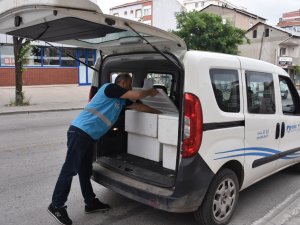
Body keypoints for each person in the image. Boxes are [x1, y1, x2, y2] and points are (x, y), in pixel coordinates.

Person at [48, 73, 160, 225]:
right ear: (122, 82)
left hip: (88, 136)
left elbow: (139, 106)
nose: (131, 86)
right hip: (80, 132)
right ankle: (56, 205)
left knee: (85, 171)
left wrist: (161, 112)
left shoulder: (120, 101)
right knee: (70, 169)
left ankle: (90, 203)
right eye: (129, 83)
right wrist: (150, 92)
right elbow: (139, 94)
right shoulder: (110, 88)